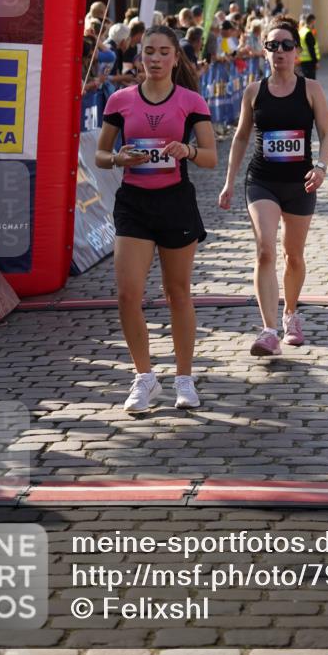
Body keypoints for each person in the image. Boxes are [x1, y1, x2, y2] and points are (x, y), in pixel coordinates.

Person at [96, 25, 217, 412]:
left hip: (175, 202)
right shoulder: (120, 100)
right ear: (139, 55)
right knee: (128, 293)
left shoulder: (191, 100)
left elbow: (212, 156)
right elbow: (99, 154)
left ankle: (184, 378)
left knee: (177, 293)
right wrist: (118, 158)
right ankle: (144, 378)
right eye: (149, 51)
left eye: (164, 52)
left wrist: (188, 150)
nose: (155, 59)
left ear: (175, 58)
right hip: (133, 203)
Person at [218, 16, 328, 356]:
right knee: (265, 249)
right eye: (272, 46)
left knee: (293, 256)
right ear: (263, 51)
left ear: (296, 52)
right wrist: (228, 182)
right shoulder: (254, 92)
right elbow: (240, 138)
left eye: (286, 45)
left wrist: (322, 167)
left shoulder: (311, 89)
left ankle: (290, 314)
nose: (279, 51)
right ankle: (268, 330)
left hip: (300, 183)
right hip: (262, 180)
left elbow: (326, 134)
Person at [298, 13, 321, 80]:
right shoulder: (308, 33)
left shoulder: (301, 31)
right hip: (309, 61)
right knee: (311, 82)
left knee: (305, 82)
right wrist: (316, 62)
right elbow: (311, 49)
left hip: (302, 61)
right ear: (312, 21)